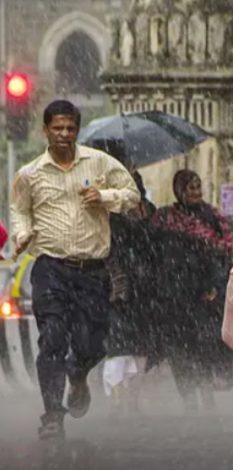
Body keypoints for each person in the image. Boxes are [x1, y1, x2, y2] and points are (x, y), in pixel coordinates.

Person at [10, 100, 140, 440]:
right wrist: (22, 233)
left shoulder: (99, 163)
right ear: (46, 130)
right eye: (57, 128)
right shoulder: (30, 174)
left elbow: (132, 195)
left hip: (93, 271)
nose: (64, 134)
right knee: (51, 339)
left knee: (91, 342)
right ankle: (52, 415)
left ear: (77, 130)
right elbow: (19, 211)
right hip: (51, 268)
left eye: (70, 128)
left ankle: (79, 374)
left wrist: (106, 196)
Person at [151, 169, 233, 412]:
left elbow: (224, 255)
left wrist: (216, 287)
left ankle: (207, 393)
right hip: (174, 295)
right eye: (191, 188)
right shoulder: (165, 219)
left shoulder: (213, 218)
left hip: (205, 296)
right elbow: (156, 255)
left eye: (198, 187)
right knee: (179, 350)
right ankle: (189, 399)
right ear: (179, 191)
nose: (196, 193)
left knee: (204, 345)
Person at [102, 171, 158, 416]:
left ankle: (132, 399)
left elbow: (154, 246)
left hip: (145, 291)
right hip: (118, 291)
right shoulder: (109, 216)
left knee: (141, 349)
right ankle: (117, 400)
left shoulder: (149, 213)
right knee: (117, 347)